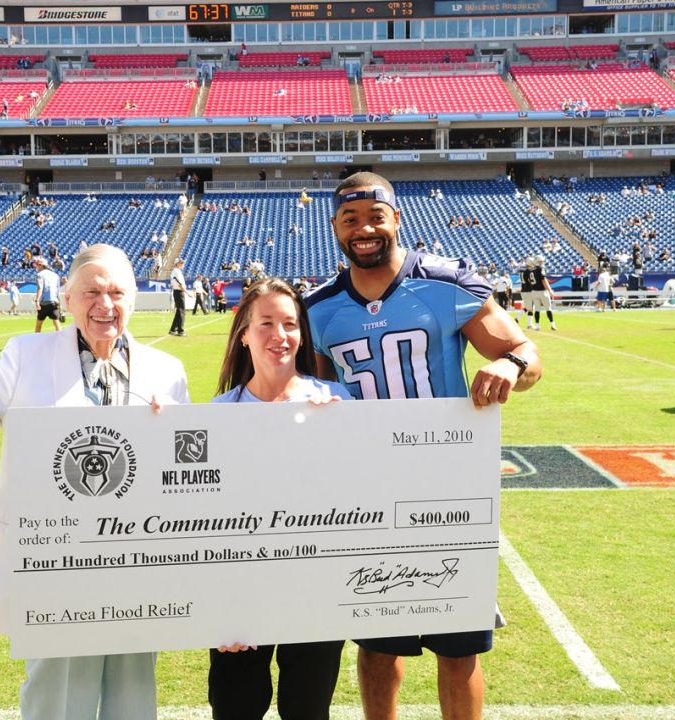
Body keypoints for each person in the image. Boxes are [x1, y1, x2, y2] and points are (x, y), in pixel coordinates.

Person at [0, 246, 189, 720]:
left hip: (135, 565)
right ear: (67, 298)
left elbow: (183, 472)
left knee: (133, 694)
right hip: (55, 564)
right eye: (91, 291)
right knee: (57, 696)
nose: (104, 305)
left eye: (116, 292)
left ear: (134, 298)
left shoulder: (167, 372)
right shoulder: (24, 356)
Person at [306, 172, 542, 720]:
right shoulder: (318, 306)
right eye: (350, 220)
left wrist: (508, 363)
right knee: (377, 640)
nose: (364, 230)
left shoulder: (444, 282)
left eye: (375, 217)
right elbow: (315, 393)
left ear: (396, 220)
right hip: (365, 492)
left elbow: (527, 352)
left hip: (449, 487)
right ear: (336, 228)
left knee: (458, 644)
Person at [208, 278, 351, 720]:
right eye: (265, 323)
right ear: (244, 333)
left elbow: (356, 504)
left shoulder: (335, 402)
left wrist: (341, 434)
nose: (279, 335)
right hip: (238, 593)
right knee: (236, 708)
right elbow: (199, 518)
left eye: (289, 323)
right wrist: (218, 608)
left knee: (307, 709)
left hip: (316, 589)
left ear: (302, 334)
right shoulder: (217, 414)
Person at [34, 257, 64, 333]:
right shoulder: (56, 275)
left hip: (44, 302)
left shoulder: (40, 275)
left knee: (39, 324)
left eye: (37, 265)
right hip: (54, 302)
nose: (36, 267)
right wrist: (60, 305)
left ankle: (36, 340)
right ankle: (61, 339)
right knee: (57, 323)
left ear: (41, 265)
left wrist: (37, 300)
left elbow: (40, 288)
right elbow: (57, 291)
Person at [168, 258, 187, 337]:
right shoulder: (176, 272)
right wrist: (183, 289)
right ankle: (180, 330)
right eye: (181, 263)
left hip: (178, 292)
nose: (183, 264)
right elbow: (179, 284)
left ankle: (173, 329)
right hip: (179, 292)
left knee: (179, 311)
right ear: (177, 264)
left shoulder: (176, 271)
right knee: (181, 311)